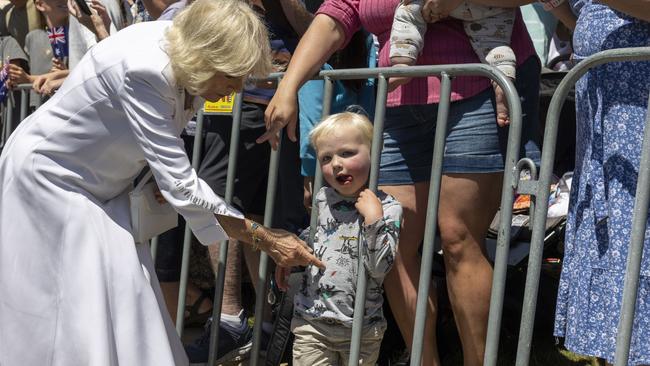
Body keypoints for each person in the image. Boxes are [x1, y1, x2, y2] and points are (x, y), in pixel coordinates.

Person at [0, 1, 324, 366]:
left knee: (127, 286)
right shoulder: (146, 68)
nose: (233, 91)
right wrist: (267, 239)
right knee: (78, 297)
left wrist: (155, 174)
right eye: (231, 78)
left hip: (97, 184)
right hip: (49, 179)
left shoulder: (186, 59)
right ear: (208, 54)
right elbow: (182, 186)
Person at [262, 0, 542, 364]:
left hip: (476, 93)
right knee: (392, 241)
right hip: (397, 102)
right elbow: (337, 13)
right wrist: (289, 85)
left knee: (460, 238)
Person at [553, 1, 650, 365]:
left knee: (635, 227)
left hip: (637, 98)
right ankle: (618, 352)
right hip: (602, 102)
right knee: (611, 232)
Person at [275, 112, 403, 366]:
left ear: (374, 151)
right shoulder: (322, 199)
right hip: (313, 323)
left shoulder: (388, 208)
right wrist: (291, 256)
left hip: (363, 329)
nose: (336, 164)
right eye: (326, 157)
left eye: (347, 153)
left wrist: (374, 220)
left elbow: (379, 268)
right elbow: (315, 238)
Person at [390, 0, 516, 124]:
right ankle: (502, 78)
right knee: (494, 43)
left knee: (407, 13)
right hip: (492, 8)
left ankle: (403, 62)